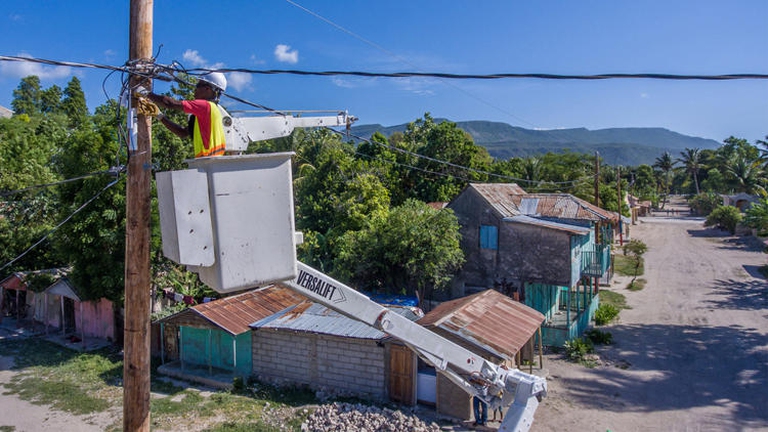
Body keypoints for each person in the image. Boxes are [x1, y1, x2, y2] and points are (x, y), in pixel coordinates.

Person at [141, 72, 228, 158]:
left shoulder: (205, 106)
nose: (195, 89)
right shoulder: (209, 112)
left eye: (198, 86)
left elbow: (170, 103)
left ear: (208, 89)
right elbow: (183, 133)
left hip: (209, 161)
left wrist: (145, 93)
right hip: (209, 163)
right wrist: (159, 115)